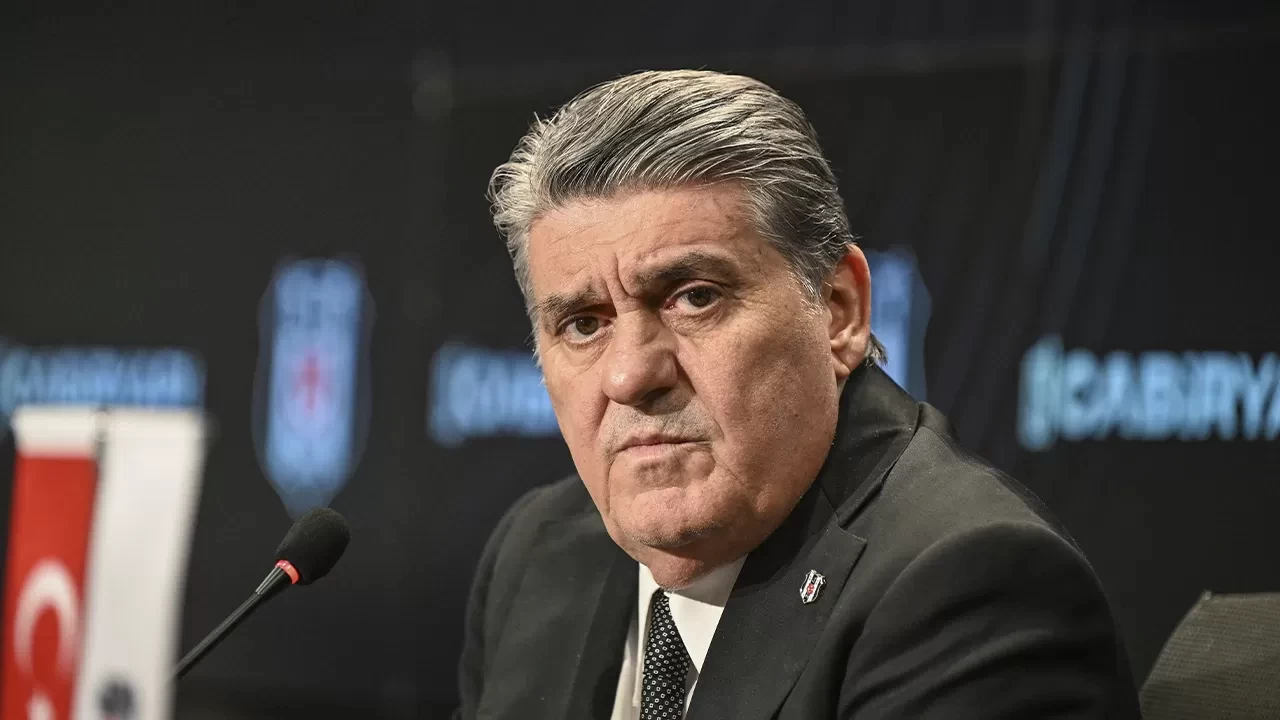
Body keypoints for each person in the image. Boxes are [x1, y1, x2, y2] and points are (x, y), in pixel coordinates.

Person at [454, 69, 1140, 719]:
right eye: (583, 324)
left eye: (695, 297)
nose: (630, 375)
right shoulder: (536, 554)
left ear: (839, 311)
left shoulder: (967, 588)